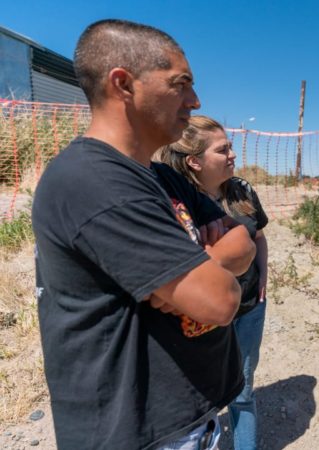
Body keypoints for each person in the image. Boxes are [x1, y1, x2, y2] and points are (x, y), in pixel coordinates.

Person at [32, 19, 256, 450]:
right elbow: (220, 301)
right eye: (181, 84)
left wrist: (198, 266)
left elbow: (242, 238)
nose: (195, 100)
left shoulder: (158, 177)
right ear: (123, 84)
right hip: (135, 432)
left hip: (186, 418)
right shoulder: (93, 181)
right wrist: (204, 272)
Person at [157, 115, 269, 450]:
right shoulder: (176, 197)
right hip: (199, 317)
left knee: (244, 391)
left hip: (248, 306)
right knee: (200, 397)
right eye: (223, 150)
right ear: (194, 161)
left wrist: (263, 275)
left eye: (230, 146)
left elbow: (258, 237)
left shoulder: (242, 191)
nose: (233, 154)